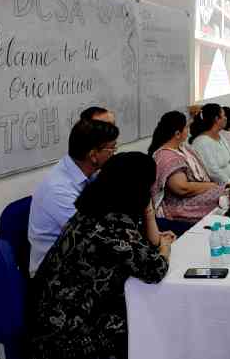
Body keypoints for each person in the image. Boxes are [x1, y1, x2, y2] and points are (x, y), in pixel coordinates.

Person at [29, 152, 173, 359]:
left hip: (53, 316)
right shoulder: (110, 226)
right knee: (151, 323)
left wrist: (148, 211)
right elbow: (154, 269)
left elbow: (144, 245)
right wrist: (165, 248)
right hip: (69, 335)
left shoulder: (92, 209)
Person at [28, 118, 120, 275]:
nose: (115, 154)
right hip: (53, 275)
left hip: (79, 257)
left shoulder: (88, 175)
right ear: (93, 155)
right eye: (111, 149)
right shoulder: (58, 190)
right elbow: (94, 237)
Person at [148, 111, 226, 223]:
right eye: (186, 127)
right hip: (179, 205)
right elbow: (181, 188)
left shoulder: (182, 148)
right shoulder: (166, 156)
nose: (188, 131)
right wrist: (211, 186)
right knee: (225, 196)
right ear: (177, 134)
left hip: (193, 194)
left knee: (228, 192)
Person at [190, 103, 230, 183]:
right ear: (216, 119)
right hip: (223, 186)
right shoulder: (201, 143)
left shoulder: (220, 135)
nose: (226, 118)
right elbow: (213, 172)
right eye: (224, 116)